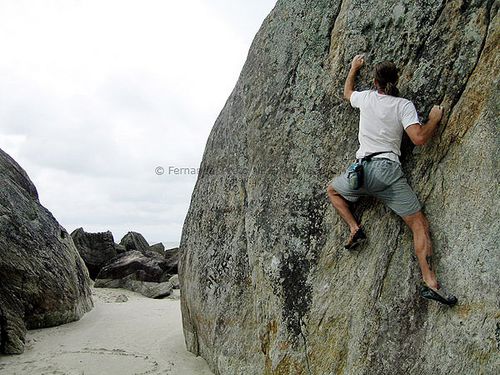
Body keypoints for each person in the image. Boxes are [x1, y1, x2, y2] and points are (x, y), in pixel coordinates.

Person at [326, 54, 457, 306]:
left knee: (332, 190)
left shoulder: (365, 98)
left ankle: (354, 228)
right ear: (396, 80)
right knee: (419, 224)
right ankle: (430, 282)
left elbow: (347, 92)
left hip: (360, 175)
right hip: (387, 173)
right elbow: (418, 138)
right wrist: (434, 120)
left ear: (375, 82)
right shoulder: (403, 105)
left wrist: (353, 68)